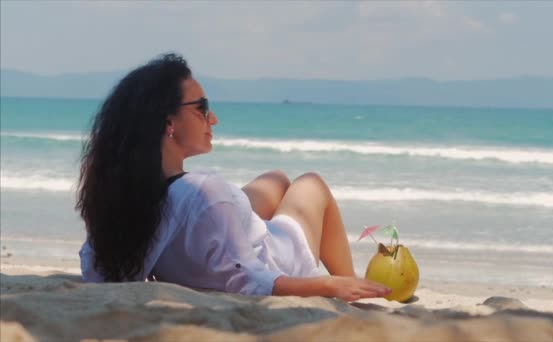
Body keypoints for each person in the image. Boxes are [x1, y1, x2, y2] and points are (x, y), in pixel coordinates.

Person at [76, 53, 391, 302]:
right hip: (277, 258)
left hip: (213, 233)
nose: (213, 118)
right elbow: (251, 279)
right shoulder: (204, 192)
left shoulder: (127, 195)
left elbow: (98, 273)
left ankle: (255, 210)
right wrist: (330, 285)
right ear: (169, 121)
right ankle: (356, 287)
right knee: (311, 183)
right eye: (202, 108)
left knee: (277, 179)